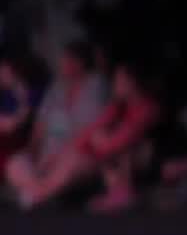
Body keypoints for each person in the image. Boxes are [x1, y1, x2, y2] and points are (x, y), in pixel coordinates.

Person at [4, 39, 109, 208]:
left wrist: (59, 158)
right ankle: (41, 191)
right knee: (16, 163)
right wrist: (32, 154)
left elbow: (91, 134)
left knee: (72, 164)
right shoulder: (56, 90)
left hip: (76, 156)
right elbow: (38, 131)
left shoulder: (96, 86)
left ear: (80, 62)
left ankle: (37, 194)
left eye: (67, 59)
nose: (62, 63)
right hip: (45, 161)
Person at [75, 59, 164, 212]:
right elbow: (85, 135)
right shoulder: (116, 107)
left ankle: (124, 193)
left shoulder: (147, 107)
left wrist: (100, 142)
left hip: (147, 156)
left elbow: (126, 138)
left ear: (133, 82)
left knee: (123, 148)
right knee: (98, 141)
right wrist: (97, 141)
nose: (115, 84)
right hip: (109, 150)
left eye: (119, 79)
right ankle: (115, 192)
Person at [0, 49, 47, 173]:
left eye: (2, 70)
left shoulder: (34, 92)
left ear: (15, 72)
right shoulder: (5, 93)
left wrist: (22, 99)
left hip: (20, 139)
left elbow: (16, 124)